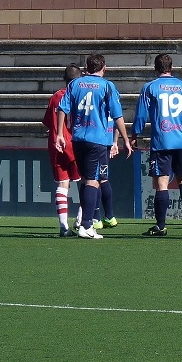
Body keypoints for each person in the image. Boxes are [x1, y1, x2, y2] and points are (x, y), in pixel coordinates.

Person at [55, 54, 133, 239]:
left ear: (87, 67)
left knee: (85, 180)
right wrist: (125, 139)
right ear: (104, 68)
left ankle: (86, 222)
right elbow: (117, 115)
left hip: (78, 138)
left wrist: (59, 133)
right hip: (97, 139)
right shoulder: (107, 86)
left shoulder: (75, 84)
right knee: (94, 180)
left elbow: (62, 108)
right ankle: (87, 225)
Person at [133, 53, 182, 237]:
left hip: (162, 142)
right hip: (180, 141)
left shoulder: (150, 87)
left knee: (162, 184)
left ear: (156, 68)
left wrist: (134, 134)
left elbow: (141, 115)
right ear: (171, 68)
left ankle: (161, 226)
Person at [42, 63, 83, 237]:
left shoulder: (55, 97)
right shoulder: (81, 95)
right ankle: (82, 221)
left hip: (56, 143)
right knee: (87, 182)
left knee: (62, 185)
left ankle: (64, 226)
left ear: (64, 79)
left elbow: (47, 122)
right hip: (76, 143)